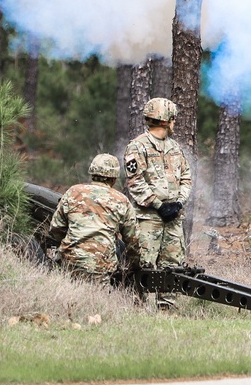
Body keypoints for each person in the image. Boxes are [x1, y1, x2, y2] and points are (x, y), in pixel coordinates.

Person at [124, 97, 193, 306]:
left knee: (172, 264)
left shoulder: (175, 148)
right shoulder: (137, 147)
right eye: (173, 119)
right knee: (143, 263)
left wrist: (178, 203)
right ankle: (138, 307)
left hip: (173, 217)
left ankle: (166, 307)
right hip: (148, 218)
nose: (174, 123)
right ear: (165, 120)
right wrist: (159, 205)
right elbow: (135, 182)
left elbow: (187, 178)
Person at [48, 154, 140, 285]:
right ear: (113, 178)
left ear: (92, 173)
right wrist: (134, 265)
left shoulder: (73, 192)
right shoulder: (122, 201)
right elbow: (132, 241)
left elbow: (56, 228)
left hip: (69, 262)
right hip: (100, 267)